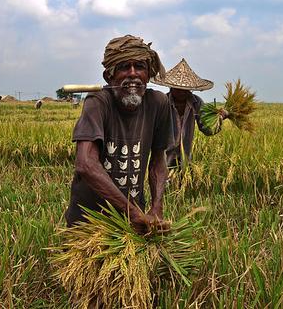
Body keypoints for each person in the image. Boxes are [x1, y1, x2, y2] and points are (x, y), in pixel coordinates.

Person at [64, 35, 173, 235]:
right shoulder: (98, 103)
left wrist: (156, 207)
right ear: (109, 77)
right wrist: (134, 213)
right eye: (124, 67)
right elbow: (85, 164)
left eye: (139, 66)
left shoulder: (158, 104)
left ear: (148, 75)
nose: (133, 74)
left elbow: (158, 160)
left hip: (132, 220)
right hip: (90, 222)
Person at [151, 58, 226, 168]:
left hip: (185, 160)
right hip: (163, 160)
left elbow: (207, 129)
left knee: (184, 182)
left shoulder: (196, 103)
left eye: (185, 89)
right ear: (171, 87)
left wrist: (219, 118)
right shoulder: (163, 102)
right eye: (178, 88)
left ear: (190, 89)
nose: (181, 92)